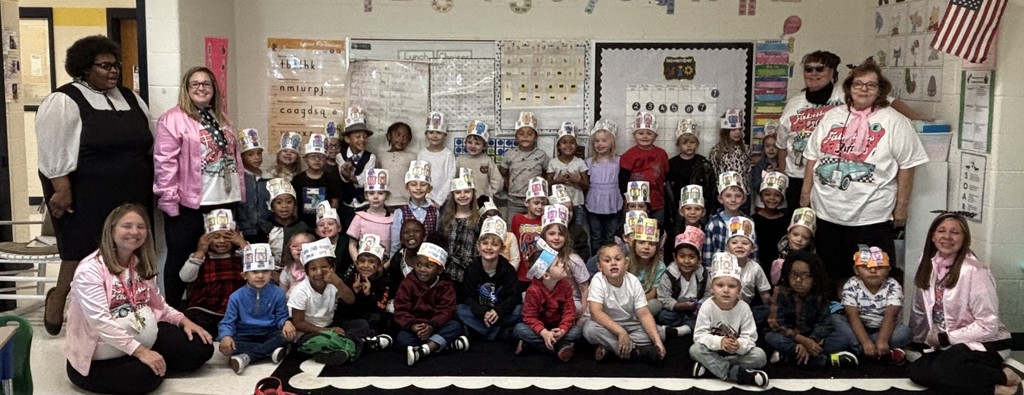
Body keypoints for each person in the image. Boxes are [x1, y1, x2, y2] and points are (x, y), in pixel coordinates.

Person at [38, 36, 154, 335]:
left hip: (131, 191)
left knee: (128, 249)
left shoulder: (130, 98)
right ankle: (60, 298)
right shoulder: (64, 100)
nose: (113, 71)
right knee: (81, 252)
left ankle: (123, 307)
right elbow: (53, 150)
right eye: (104, 66)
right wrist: (60, 189)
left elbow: (149, 140)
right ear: (84, 69)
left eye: (115, 65)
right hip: (86, 192)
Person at [801, 60, 929, 284]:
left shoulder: (894, 121)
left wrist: (901, 208)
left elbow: (908, 166)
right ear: (849, 87)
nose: (863, 89)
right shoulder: (832, 116)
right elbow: (812, 157)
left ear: (881, 90)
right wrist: (805, 195)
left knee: (872, 277)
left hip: (871, 216)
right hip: (828, 213)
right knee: (829, 275)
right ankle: (836, 316)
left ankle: (869, 317)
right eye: (858, 84)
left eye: (871, 85)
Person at [65, 204, 213, 395]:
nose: (134, 232)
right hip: (100, 354)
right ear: (111, 231)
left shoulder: (139, 263)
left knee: (201, 348)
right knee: (146, 378)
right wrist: (141, 352)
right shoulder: (90, 269)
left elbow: (159, 304)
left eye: (140, 226)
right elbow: (99, 321)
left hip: (143, 338)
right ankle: (144, 361)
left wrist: (183, 320)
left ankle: (151, 360)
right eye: (127, 226)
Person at [155, 66, 244, 309]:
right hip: (190, 203)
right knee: (182, 256)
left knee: (219, 256)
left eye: (206, 84)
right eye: (195, 84)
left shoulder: (221, 117)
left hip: (223, 199)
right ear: (186, 89)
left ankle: (211, 306)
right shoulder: (172, 118)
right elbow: (164, 162)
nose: (201, 88)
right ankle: (171, 311)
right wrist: (168, 199)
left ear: (214, 89)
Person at [908, 212, 1021, 395]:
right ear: (932, 236)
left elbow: (988, 325)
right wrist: (917, 340)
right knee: (917, 372)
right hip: (953, 345)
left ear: (964, 238)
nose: (947, 237)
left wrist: (945, 338)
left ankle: (1004, 380)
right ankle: (994, 384)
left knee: (943, 370)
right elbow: (920, 307)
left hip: (986, 343)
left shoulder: (974, 271)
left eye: (955, 232)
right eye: (941, 231)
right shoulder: (927, 263)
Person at [764, 251, 857, 368]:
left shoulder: (820, 294)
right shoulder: (781, 292)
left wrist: (811, 340)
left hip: (812, 337)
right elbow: (776, 323)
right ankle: (821, 361)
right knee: (771, 337)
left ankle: (790, 357)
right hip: (789, 337)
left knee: (842, 338)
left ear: (815, 276)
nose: (798, 280)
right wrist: (802, 341)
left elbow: (825, 323)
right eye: (793, 274)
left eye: (805, 275)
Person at [689, 252, 769, 388]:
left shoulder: (743, 308)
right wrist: (720, 342)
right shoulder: (707, 306)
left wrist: (738, 345)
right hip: (713, 349)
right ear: (712, 288)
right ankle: (737, 373)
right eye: (720, 285)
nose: (726, 290)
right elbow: (699, 336)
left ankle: (711, 367)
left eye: (732, 286)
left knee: (760, 356)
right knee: (695, 349)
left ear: (739, 289)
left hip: (735, 352)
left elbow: (750, 337)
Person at [217, 243, 296, 375]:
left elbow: (281, 316)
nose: (260, 276)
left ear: (271, 274)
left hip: (269, 333)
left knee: (287, 336)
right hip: (245, 335)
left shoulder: (278, 293)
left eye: (265, 271)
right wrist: (225, 336)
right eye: (254, 272)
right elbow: (227, 322)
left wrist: (286, 322)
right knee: (227, 344)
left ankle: (247, 357)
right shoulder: (236, 297)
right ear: (244, 275)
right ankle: (269, 351)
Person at [583, 241, 667, 364]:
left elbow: (643, 313)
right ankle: (634, 351)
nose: (613, 263)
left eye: (618, 259)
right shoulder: (598, 280)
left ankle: (612, 348)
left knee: (659, 333)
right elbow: (596, 313)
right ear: (600, 267)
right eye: (607, 261)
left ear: (626, 263)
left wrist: (657, 342)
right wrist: (620, 332)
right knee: (589, 329)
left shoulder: (633, 281)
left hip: (630, 324)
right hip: (606, 326)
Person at [394, 241, 470, 366]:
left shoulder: (446, 285)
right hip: (417, 327)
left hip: (437, 324)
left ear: (439, 270)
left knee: (455, 325)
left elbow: (447, 310)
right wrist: (413, 326)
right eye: (418, 264)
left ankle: (425, 349)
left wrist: (432, 326)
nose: (422, 270)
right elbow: (401, 310)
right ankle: (443, 344)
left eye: (428, 266)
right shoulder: (408, 283)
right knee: (402, 339)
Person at [831, 246, 910, 364]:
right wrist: (865, 342)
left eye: (879, 267)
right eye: (866, 267)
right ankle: (878, 353)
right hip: (857, 329)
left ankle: (859, 352)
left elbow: (891, 315)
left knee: (905, 333)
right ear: (856, 270)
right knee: (835, 318)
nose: (873, 271)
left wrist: (882, 341)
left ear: (888, 269)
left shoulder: (893, 286)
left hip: (883, 330)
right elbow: (852, 315)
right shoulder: (851, 284)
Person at [179, 209, 247, 336]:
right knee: (193, 326)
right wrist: (200, 251)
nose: (221, 241)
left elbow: (257, 266)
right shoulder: (200, 258)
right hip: (204, 309)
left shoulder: (240, 256)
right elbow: (185, 277)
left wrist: (243, 244)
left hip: (234, 310)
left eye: (227, 237)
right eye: (216, 237)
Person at [456, 217, 522, 341]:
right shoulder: (472, 268)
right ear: (478, 246)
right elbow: (467, 297)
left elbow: (514, 296)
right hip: (479, 313)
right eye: (485, 243)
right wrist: (483, 313)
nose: (489, 248)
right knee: (460, 310)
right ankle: (498, 333)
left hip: (500, 313)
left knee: (520, 311)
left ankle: (480, 331)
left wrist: (498, 311)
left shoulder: (508, 270)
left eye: (495, 244)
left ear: (502, 249)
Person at [516, 248, 582, 362]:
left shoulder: (565, 286)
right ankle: (558, 348)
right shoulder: (533, 291)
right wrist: (544, 332)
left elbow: (569, 312)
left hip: (558, 328)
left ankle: (535, 346)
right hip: (540, 330)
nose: (562, 264)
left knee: (577, 331)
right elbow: (529, 317)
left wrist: (562, 330)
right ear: (546, 275)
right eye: (557, 264)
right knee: (519, 329)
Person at [619, 111, 669, 228]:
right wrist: (627, 201)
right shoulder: (629, 155)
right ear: (634, 135)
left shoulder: (662, 154)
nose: (645, 136)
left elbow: (666, 176)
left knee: (656, 230)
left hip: (657, 203)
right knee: (633, 230)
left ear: (655, 135)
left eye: (649, 133)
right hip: (635, 204)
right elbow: (622, 181)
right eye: (640, 133)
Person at [656, 226, 707, 336]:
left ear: (699, 259)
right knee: (664, 315)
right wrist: (679, 305)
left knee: (706, 315)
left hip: (696, 309)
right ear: (675, 257)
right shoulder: (669, 274)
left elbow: (709, 294)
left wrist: (700, 304)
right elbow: (663, 298)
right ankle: (688, 326)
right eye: (682, 256)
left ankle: (681, 330)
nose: (687, 261)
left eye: (692, 257)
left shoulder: (704, 274)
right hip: (677, 308)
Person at [666, 121, 717, 229]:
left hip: (699, 209)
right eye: (684, 143)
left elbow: (712, 190)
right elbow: (668, 191)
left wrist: (710, 210)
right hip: (678, 209)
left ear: (697, 144)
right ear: (678, 144)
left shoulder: (704, 164)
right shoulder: (671, 164)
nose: (689, 145)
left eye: (692, 142)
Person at [500, 111, 550, 215]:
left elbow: (548, 174)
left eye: (530, 134)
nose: (525, 137)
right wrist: (509, 187)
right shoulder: (510, 154)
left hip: (536, 201)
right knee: (512, 229)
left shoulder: (541, 155)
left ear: (536, 137)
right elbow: (503, 173)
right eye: (521, 134)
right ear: (516, 137)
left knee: (535, 229)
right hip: (514, 201)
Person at [585, 119, 623, 256]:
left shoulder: (618, 162)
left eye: (604, 140)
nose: (600, 144)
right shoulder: (589, 162)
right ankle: (596, 263)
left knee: (610, 236)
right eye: (597, 141)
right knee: (596, 236)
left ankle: (610, 260)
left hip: (613, 203)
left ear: (611, 142)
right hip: (594, 204)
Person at [291, 132, 343, 229]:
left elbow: (334, 203)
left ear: (326, 159)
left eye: (321, 157)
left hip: (324, 225)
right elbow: (294, 203)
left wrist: (329, 222)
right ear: (306, 159)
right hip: (303, 223)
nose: (317, 160)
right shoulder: (298, 179)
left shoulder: (331, 179)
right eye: (313, 156)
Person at [439, 169, 482, 285]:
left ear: (473, 193)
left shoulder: (479, 219)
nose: (462, 196)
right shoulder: (445, 219)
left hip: (470, 274)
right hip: (447, 273)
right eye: (458, 192)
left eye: (467, 191)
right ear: (453, 195)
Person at [702, 172, 753, 268]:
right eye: (728, 196)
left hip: (743, 269)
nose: (733, 200)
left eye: (737, 196)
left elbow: (753, 250)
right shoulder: (713, 223)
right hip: (719, 270)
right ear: (720, 199)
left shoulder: (748, 222)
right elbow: (708, 253)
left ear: (744, 199)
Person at [388, 160, 439, 254]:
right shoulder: (399, 212)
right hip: (406, 258)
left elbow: (435, 238)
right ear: (407, 188)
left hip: (427, 259)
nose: (418, 188)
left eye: (423, 184)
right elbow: (396, 243)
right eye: (413, 184)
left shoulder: (435, 211)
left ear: (429, 189)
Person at [546, 122, 590, 231]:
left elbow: (586, 186)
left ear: (576, 145)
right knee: (560, 231)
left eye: (572, 143)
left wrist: (578, 180)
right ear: (558, 146)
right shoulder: (553, 162)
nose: (568, 146)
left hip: (577, 205)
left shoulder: (580, 162)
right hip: (558, 205)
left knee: (579, 231)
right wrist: (557, 181)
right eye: (564, 142)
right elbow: (547, 185)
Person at [235, 128, 273, 243]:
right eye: (250, 155)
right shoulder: (239, 178)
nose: (256, 157)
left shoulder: (268, 178)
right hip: (245, 229)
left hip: (267, 229)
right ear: (242, 157)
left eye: (259, 153)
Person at [709, 109, 752, 204]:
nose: (737, 132)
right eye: (733, 129)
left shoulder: (746, 149)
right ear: (725, 131)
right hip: (725, 196)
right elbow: (716, 174)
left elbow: (748, 171)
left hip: (743, 195)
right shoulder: (717, 151)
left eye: (740, 129)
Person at [751, 172, 789, 275]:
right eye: (767, 194)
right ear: (761, 196)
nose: (772, 198)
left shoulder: (787, 221)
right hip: (759, 266)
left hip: (780, 268)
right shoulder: (753, 220)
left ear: (782, 198)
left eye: (777, 195)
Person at [456, 120, 504, 201]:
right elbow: (453, 178)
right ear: (465, 143)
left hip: (483, 200)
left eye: (477, 143)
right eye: (469, 142)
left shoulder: (487, 160)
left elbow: (497, 180)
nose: (473, 146)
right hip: (464, 200)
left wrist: (489, 193)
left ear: (484, 146)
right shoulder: (459, 160)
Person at [418, 111, 457, 206]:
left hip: (445, 200)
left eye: (439, 133)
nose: (435, 136)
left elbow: (450, 178)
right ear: (426, 134)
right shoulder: (422, 153)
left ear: (445, 135)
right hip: (425, 199)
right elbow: (420, 177)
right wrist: (426, 197)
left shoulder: (448, 154)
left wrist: (439, 200)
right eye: (431, 132)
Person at [379, 122, 416, 208]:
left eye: (405, 137)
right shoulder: (380, 156)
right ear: (389, 136)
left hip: (406, 202)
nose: (401, 139)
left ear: (409, 139)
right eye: (398, 135)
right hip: (385, 202)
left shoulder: (412, 157)